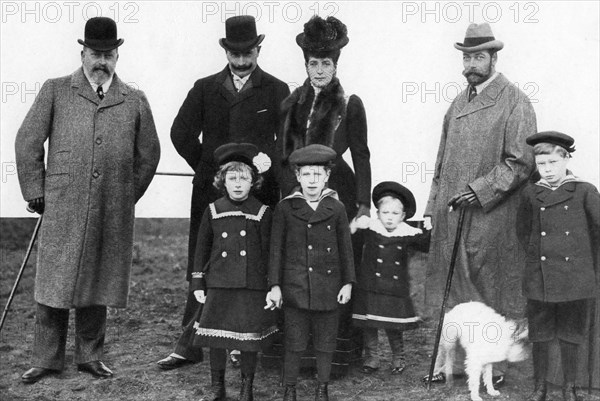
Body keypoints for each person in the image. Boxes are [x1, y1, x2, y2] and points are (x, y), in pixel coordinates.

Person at [14, 17, 160, 384]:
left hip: (111, 209)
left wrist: (126, 195)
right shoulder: (56, 90)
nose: (102, 62)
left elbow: (149, 155)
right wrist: (36, 190)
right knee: (54, 281)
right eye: (95, 53)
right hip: (62, 204)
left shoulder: (133, 99)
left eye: (109, 55)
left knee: (99, 279)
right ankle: (46, 359)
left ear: (116, 56)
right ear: (83, 53)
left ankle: (90, 356)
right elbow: (27, 142)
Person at [158, 15, 290, 370]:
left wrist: (268, 165)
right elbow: (179, 132)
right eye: (235, 52)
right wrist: (208, 168)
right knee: (200, 265)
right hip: (210, 197)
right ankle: (188, 345)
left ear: (258, 49)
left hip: (258, 197)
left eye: (248, 51)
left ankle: (244, 343)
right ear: (226, 50)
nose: (242, 58)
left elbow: (287, 142)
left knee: (252, 266)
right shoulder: (204, 88)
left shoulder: (277, 90)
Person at [423, 22, 537, 384]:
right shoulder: (457, 103)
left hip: (494, 215)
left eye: (479, 57)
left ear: (494, 57)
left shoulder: (515, 100)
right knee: (454, 288)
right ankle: (453, 363)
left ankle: (497, 365)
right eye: (467, 57)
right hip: (452, 216)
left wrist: (481, 189)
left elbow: (521, 160)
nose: (471, 64)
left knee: (490, 290)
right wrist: (432, 207)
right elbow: (441, 161)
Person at [274, 14, 371, 377]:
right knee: (297, 270)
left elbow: (361, 155)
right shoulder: (291, 103)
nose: (319, 70)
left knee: (332, 271)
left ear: (335, 65)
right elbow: (282, 156)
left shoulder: (350, 104)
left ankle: (337, 355)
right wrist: (285, 198)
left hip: (337, 195)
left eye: (325, 63)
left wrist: (362, 205)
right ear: (306, 65)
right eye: (313, 63)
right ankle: (295, 353)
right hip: (295, 197)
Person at [187, 143, 277, 401]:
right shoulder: (213, 210)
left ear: (253, 182)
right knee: (216, 336)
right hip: (219, 283)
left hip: (252, 285)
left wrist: (272, 286)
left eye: (244, 178)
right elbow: (201, 249)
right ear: (222, 181)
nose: (238, 184)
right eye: (232, 178)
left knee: (249, 339)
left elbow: (269, 253)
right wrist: (197, 283)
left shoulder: (262, 212)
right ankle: (218, 387)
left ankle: (246, 388)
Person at [266, 144, 355, 401]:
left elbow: (346, 249)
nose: (312, 180)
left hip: (329, 286)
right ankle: (290, 388)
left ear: (327, 176)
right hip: (295, 287)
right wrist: (275, 285)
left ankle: (322, 388)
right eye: (306, 174)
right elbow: (276, 250)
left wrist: (347, 283)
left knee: (326, 342)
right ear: (297, 177)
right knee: (294, 341)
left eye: (318, 174)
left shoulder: (336, 208)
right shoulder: (285, 208)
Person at [517, 132, 599, 401]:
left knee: (571, 333)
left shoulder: (584, 190)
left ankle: (570, 386)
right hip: (539, 276)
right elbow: (523, 232)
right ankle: (539, 386)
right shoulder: (531, 193)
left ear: (566, 159)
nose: (548, 170)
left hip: (574, 276)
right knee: (539, 334)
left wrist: (585, 266)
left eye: (553, 162)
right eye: (542, 164)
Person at [350, 182, 430, 375]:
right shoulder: (371, 229)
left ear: (403, 216)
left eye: (395, 214)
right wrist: (355, 224)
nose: (389, 218)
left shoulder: (408, 234)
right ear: (378, 213)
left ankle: (398, 357)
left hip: (394, 288)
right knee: (369, 325)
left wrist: (429, 228)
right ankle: (372, 358)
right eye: (385, 213)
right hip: (370, 285)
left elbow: (427, 245)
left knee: (393, 326)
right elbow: (349, 237)